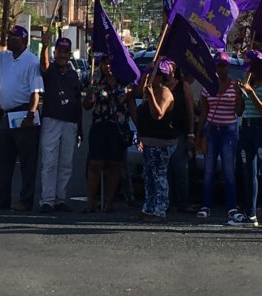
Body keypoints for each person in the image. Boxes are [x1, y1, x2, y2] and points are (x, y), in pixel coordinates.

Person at [0, 25, 43, 211]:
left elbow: (35, 92)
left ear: (23, 40)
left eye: (13, 37)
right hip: (8, 115)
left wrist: (30, 114)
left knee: (27, 161)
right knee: (2, 158)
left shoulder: (31, 61)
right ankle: (1, 199)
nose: (9, 38)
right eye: (9, 35)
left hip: (24, 113)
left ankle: (26, 200)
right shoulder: (4, 57)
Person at [228, 50, 262, 229]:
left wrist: (251, 93)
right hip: (246, 128)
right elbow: (239, 111)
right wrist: (239, 93)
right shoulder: (247, 84)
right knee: (247, 172)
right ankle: (250, 213)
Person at [195, 51, 244, 219]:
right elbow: (204, 112)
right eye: (218, 65)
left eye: (223, 65)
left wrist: (239, 95)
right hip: (211, 130)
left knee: (228, 170)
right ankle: (206, 205)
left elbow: (239, 111)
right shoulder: (208, 86)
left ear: (228, 66)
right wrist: (199, 135)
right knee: (209, 170)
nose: (220, 68)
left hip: (228, 131)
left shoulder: (234, 85)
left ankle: (231, 206)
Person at [37, 33, 83, 213]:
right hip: (52, 120)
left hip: (70, 123)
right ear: (55, 53)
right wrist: (45, 47)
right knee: (49, 162)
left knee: (66, 163)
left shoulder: (73, 75)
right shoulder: (50, 71)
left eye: (66, 52)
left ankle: (60, 198)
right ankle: (47, 200)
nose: (63, 55)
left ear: (69, 54)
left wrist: (80, 127)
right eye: (60, 51)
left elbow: (78, 101)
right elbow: (44, 65)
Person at [82, 54, 131, 212]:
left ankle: (109, 203)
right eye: (104, 63)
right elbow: (87, 106)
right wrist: (90, 94)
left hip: (117, 128)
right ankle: (91, 202)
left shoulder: (124, 83)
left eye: (110, 63)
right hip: (99, 126)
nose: (107, 66)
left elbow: (131, 105)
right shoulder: (96, 81)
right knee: (95, 164)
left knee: (114, 165)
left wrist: (140, 129)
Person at [132, 58, 177, 223]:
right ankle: (148, 208)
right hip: (148, 141)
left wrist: (151, 95)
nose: (153, 77)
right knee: (148, 176)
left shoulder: (165, 93)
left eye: (156, 75)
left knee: (159, 176)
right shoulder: (146, 92)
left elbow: (158, 114)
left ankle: (160, 210)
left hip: (162, 142)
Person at [167, 68, 197, 214]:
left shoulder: (182, 85)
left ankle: (183, 202)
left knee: (180, 168)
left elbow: (190, 110)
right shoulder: (158, 85)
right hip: (163, 133)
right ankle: (167, 201)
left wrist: (191, 133)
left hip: (180, 132)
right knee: (166, 170)